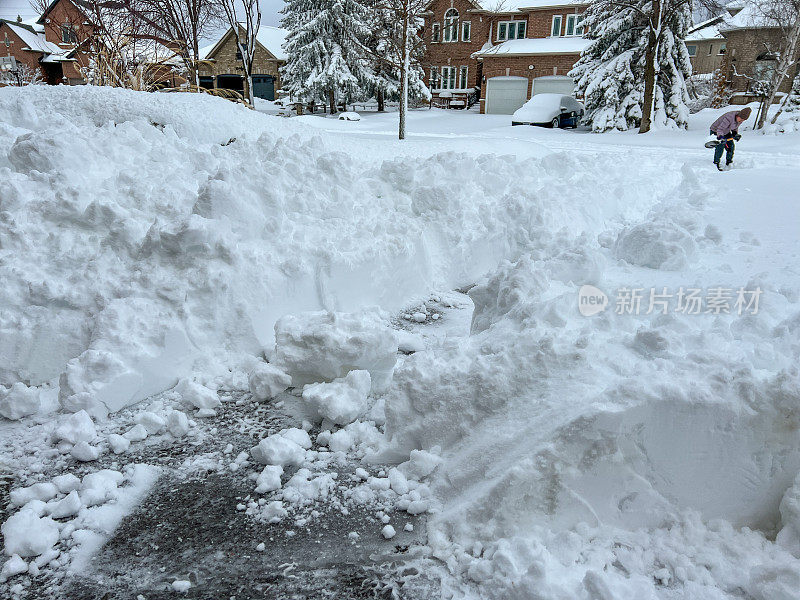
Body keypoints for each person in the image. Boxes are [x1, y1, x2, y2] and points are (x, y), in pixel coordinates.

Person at [709, 106, 751, 171]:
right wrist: (720, 137)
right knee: (720, 147)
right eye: (741, 119)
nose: (741, 121)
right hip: (716, 130)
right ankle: (716, 163)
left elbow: (735, 127)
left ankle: (729, 163)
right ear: (738, 116)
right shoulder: (729, 117)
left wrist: (735, 134)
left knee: (731, 146)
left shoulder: (740, 119)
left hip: (726, 131)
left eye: (743, 120)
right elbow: (720, 129)